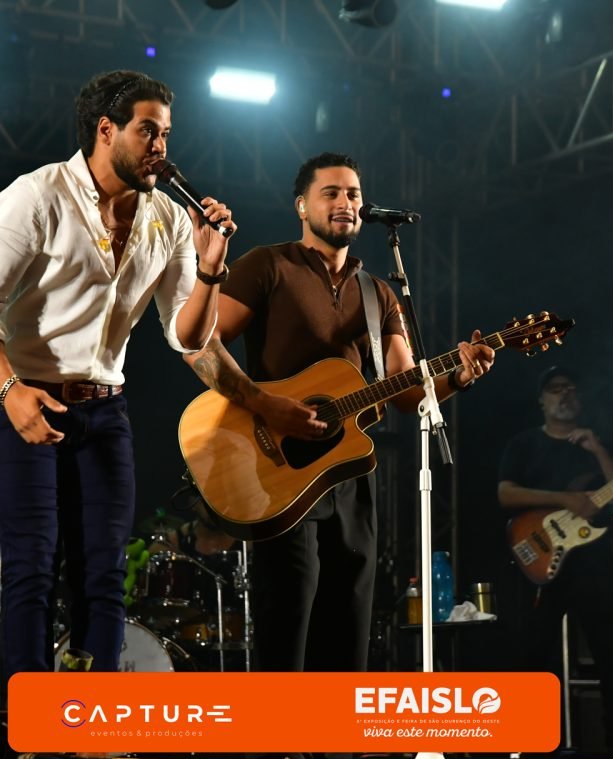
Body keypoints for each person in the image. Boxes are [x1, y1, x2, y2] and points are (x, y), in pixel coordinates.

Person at [0, 69, 236, 682]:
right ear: (106, 130)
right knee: (32, 566)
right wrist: (10, 391)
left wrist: (211, 268)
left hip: (105, 409)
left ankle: (97, 715)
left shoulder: (168, 219)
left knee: (104, 573)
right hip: (25, 398)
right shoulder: (36, 196)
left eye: (166, 133)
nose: (161, 146)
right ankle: (30, 718)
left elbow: (186, 335)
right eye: (148, 131)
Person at [183, 152, 494, 671]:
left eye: (353, 194)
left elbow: (406, 391)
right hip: (278, 470)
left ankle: (339, 726)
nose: (345, 202)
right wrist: (268, 406)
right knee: (287, 623)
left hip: (348, 472)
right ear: (301, 206)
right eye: (330, 192)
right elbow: (201, 345)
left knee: (349, 625)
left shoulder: (378, 294)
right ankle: (278, 727)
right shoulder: (268, 265)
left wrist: (459, 375)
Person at [496, 365, 613, 749]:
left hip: (594, 561)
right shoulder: (524, 444)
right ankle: (525, 743)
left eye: (571, 388)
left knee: (609, 652)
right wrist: (564, 499)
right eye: (555, 388)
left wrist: (598, 449)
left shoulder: (596, 444)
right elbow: (506, 494)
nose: (564, 394)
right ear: (541, 400)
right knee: (532, 652)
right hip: (541, 558)